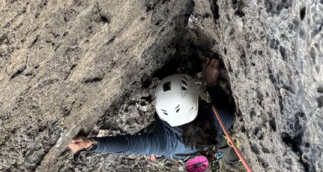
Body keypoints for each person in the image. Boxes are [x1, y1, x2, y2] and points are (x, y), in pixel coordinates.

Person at [68, 57, 236, 161]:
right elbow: (130, 145)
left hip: (184, 153)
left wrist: (91, 145)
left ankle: (227, 157)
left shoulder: (162, 143)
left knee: (224, 149)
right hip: (208, 142)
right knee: (228, 151)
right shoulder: (221, 117)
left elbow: (130, 145)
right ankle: (230, 159)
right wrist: (212, 83)